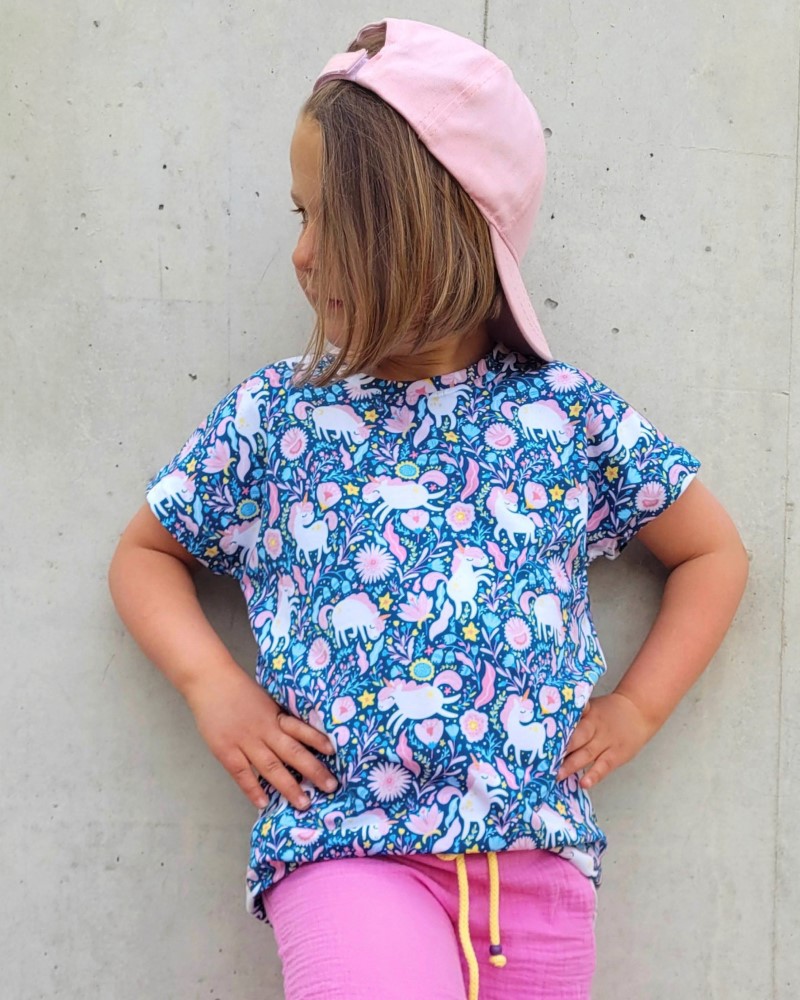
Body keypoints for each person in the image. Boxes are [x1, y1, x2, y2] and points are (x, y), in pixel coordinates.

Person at [108, 18, 749, 1000]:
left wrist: (636, 707)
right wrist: (213, 685)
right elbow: (146, 552)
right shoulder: (279, 416)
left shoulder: (562, 416)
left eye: (331, 222)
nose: (302, 254)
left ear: (431, 230)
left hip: (535, 860)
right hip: (344, 846)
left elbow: (711, 552)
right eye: (299, 216)